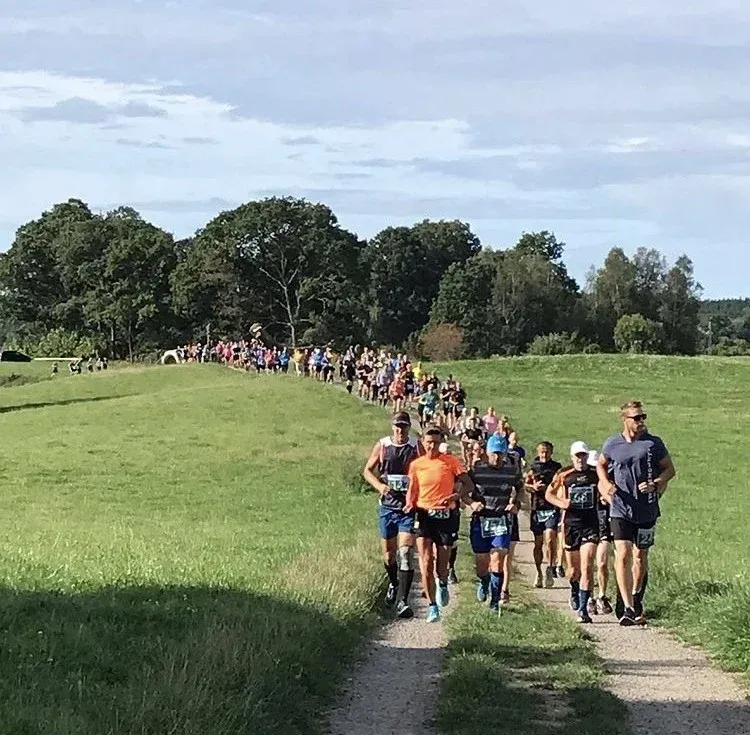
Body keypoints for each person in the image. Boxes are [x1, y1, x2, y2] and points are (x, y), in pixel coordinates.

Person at [597, 400, 676, 626]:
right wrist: (606, 483)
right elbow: (601, 464)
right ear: (625, 420)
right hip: (620, 508)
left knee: (640, 557)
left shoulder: (653, 444)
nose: (642, 422)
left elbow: (670, 469)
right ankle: (627, 607)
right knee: (622, 554)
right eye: (637, 418)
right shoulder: (612, 443)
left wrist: (656, 483)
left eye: (643, 417)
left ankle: (636, 597)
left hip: (647, 509)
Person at [405, 426, 474, 622]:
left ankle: (442, 582)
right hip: (424, 514)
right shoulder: (416, 464)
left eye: (435, 442)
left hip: (445, 515)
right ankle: (432, 606)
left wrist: (456, 495)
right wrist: (409, 504)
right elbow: (413, 487)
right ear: (423, 443)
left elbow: (469, 484)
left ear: (440, 443)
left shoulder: (450, 462)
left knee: (442, 562)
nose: (432, 446)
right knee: (426, 562)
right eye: (428, 442)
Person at [363, 411, 423, 619]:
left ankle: (403, 602)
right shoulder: (383, 446)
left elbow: (425, 469)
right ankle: (393, 582)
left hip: (407, 508)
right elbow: (367, 471)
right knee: (389, 556)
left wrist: (417, 495)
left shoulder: (415, 446)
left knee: (405, 553)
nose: (400, 430)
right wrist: (379, 485)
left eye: (404, 426)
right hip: (388, 507)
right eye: (397, 426)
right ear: (392, 427)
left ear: (408, 428)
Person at [546, 441, 601, 623]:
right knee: (573, 570)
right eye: (577, 455)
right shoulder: (564, 475)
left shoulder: (595, 474)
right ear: (572, 457)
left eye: (583, 455)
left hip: (590, 524)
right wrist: (562, 503)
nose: (580, 459)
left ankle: (583, 610)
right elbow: (549, 494)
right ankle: (574, 589)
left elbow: (606, 488)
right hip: (571, 525)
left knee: (587, 566)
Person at [468, 435, 523, 614]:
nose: (497, 457)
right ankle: (484, 581)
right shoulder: (477, 470)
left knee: (498, 560)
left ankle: (494, 601)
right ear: (487, 452)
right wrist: (471, 503)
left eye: (500, 454)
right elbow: (462, 491)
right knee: (481, 563)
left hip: (501, 520)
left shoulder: (512, 470)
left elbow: (520, 489)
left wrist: (516, 504)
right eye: (494, 454)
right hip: (481, 519)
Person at [525, 442, 563, 588]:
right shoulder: (533, 467)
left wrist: (548, 488)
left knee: (550, 538)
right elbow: (525, 485)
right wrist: (533, 487)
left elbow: (561, 485)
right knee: (538, 542)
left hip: (552, 507)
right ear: (538, 451)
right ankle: (538, 571)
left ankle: (550, 567)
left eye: (546, 452)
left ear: (551, 452)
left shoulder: (556, 468)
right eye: (542, 452)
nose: (544, 454)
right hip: (537, 508)